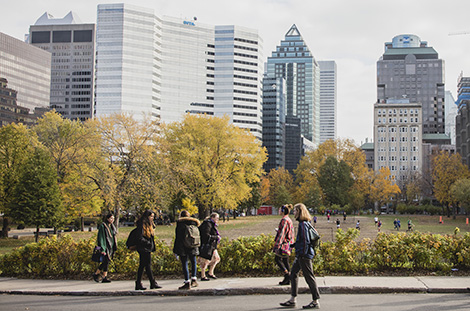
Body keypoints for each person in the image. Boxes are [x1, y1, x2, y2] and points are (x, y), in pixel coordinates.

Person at [280, 203, 320, 309]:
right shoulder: (305, 223)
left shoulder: (303, 224)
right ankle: (293, 299)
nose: (294, 213)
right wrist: (290, 245)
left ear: (299, 212)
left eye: (295, 211)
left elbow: (305, 241)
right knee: (293, 274)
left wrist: (301, 254)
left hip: (303, 255)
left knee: (309, 277)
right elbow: (301, 241)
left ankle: (315, 301)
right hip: (302, 254)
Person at [173, 210, 201, 290]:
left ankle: (187, 282)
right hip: (193, 245)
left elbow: (178, 238)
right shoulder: (194, 224)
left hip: (183, 246)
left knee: (185, 263)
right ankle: (194, 279)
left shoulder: (180, 224)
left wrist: (175, 250)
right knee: (193, 262)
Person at [134, 210, 161, 290]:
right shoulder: (141, 224)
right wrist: (147, 243)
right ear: (147, 216)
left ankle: (139, 283)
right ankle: (151, 282)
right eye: (151, 216)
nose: (152, 218)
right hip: (143, 247)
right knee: (147, 265)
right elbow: (139, 237)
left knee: (143, 266)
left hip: (147, 247)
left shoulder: (149, 224)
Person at [273, 204, 294, 286]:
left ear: (282, 211)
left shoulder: (284, 220)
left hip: (284, 244)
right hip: (288, 243)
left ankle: (287, 275)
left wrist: (277, 245)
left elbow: (282, 233)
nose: (278, 211)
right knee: (285, 261)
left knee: (277, 259)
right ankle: (288, 278)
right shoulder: (288, 219)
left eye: (279, 210)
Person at [93, 213, 117, 283]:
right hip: (105, 247)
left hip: (110, 247)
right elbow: (101, 238)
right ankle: (97, 274)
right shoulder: (103, 226)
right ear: (107, 219)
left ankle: (104, 276)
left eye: (113, 218)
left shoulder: (112, 227)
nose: (112, 220)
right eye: (111, 218)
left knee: (107, 262)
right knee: (106, 261)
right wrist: (102, 249)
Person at [198, 212, 221, 281]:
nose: (217, 219)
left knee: (217, 259)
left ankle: (210, 272)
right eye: (216, 218)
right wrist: (216, 237)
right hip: (207, 246)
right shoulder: (207, 224)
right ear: (212, 218)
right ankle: (203, 275)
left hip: (212, 246)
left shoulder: (212, 224)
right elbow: (206, 236)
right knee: (205, 261)